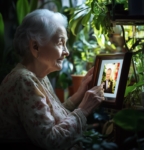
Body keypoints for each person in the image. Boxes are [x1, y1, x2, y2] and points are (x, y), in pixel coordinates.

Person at [0, 9, 105, 150]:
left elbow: (51, 118)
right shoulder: (24, 80)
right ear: (35, 47)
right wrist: (83, 110)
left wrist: (79, 95)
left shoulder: (37, 76)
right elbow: (50, 141)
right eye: (61, 43)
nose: (66, 52)